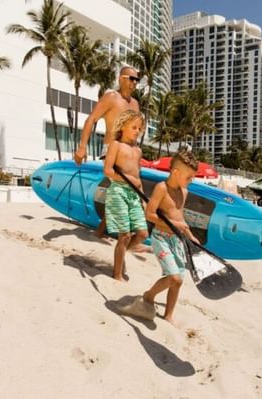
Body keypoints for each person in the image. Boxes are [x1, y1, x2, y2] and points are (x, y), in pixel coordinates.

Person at [75, 66, 141, 238]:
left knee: (123, 189)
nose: (134, 82)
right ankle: (124, 235)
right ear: (120, 79)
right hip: (112, 150)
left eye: (137, 80)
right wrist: (82, 146)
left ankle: (100, 231)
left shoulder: (135, 104)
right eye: (131, 78)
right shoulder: (111, 97)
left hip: (129, 154)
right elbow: (92, 119)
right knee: (125, 188)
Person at [142, 149, 199, 325]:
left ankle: (168, 315)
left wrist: (190, 236)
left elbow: (179, 218)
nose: (191, 181)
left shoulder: (184, 192)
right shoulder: (161, 188)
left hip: (177, 240)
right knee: (173, 277)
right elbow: (149, 214)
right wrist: (173, 226)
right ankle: (149, 295)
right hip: (160, 238)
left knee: (178, 281)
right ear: (175, 172)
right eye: (189, 177)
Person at [103, 110, 149, 281]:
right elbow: (107, 170)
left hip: (135, 194)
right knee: (125, 235)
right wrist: (126, 178)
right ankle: (117, 274)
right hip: (119, 191)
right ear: (123, 126)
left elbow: (138, 176)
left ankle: (122, 251)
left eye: (139, 128)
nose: (137, 131)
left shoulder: (138, 151)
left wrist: (143, 198)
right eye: (134, 127)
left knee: (143, 233)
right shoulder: (116, 145)